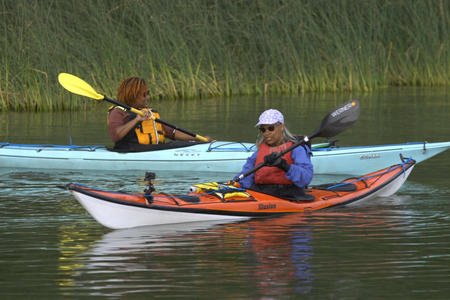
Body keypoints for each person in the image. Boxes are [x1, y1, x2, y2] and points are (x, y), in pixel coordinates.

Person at [108, 76, 213, 152]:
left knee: (178, 144)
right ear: (132, 95)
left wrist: (198, 139)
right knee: (174, 145)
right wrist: (136, 120)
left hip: (156, 150)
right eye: (144, 95)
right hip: (132, 150)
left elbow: (172, 133)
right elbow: (115, 136)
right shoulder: (118, 112)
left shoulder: (148, 112)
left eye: (148, 93)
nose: (147, 97)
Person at [234, 109, 313, 201]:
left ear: (282, 127)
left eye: (271, 128)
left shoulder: (296, 149)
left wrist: (284, 166)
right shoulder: (259, 152)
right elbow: (246, 176)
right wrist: (235, 185)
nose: (266, 133)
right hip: (262, 193)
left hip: (288, 195)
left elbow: (306, 178)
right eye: (263, 130)